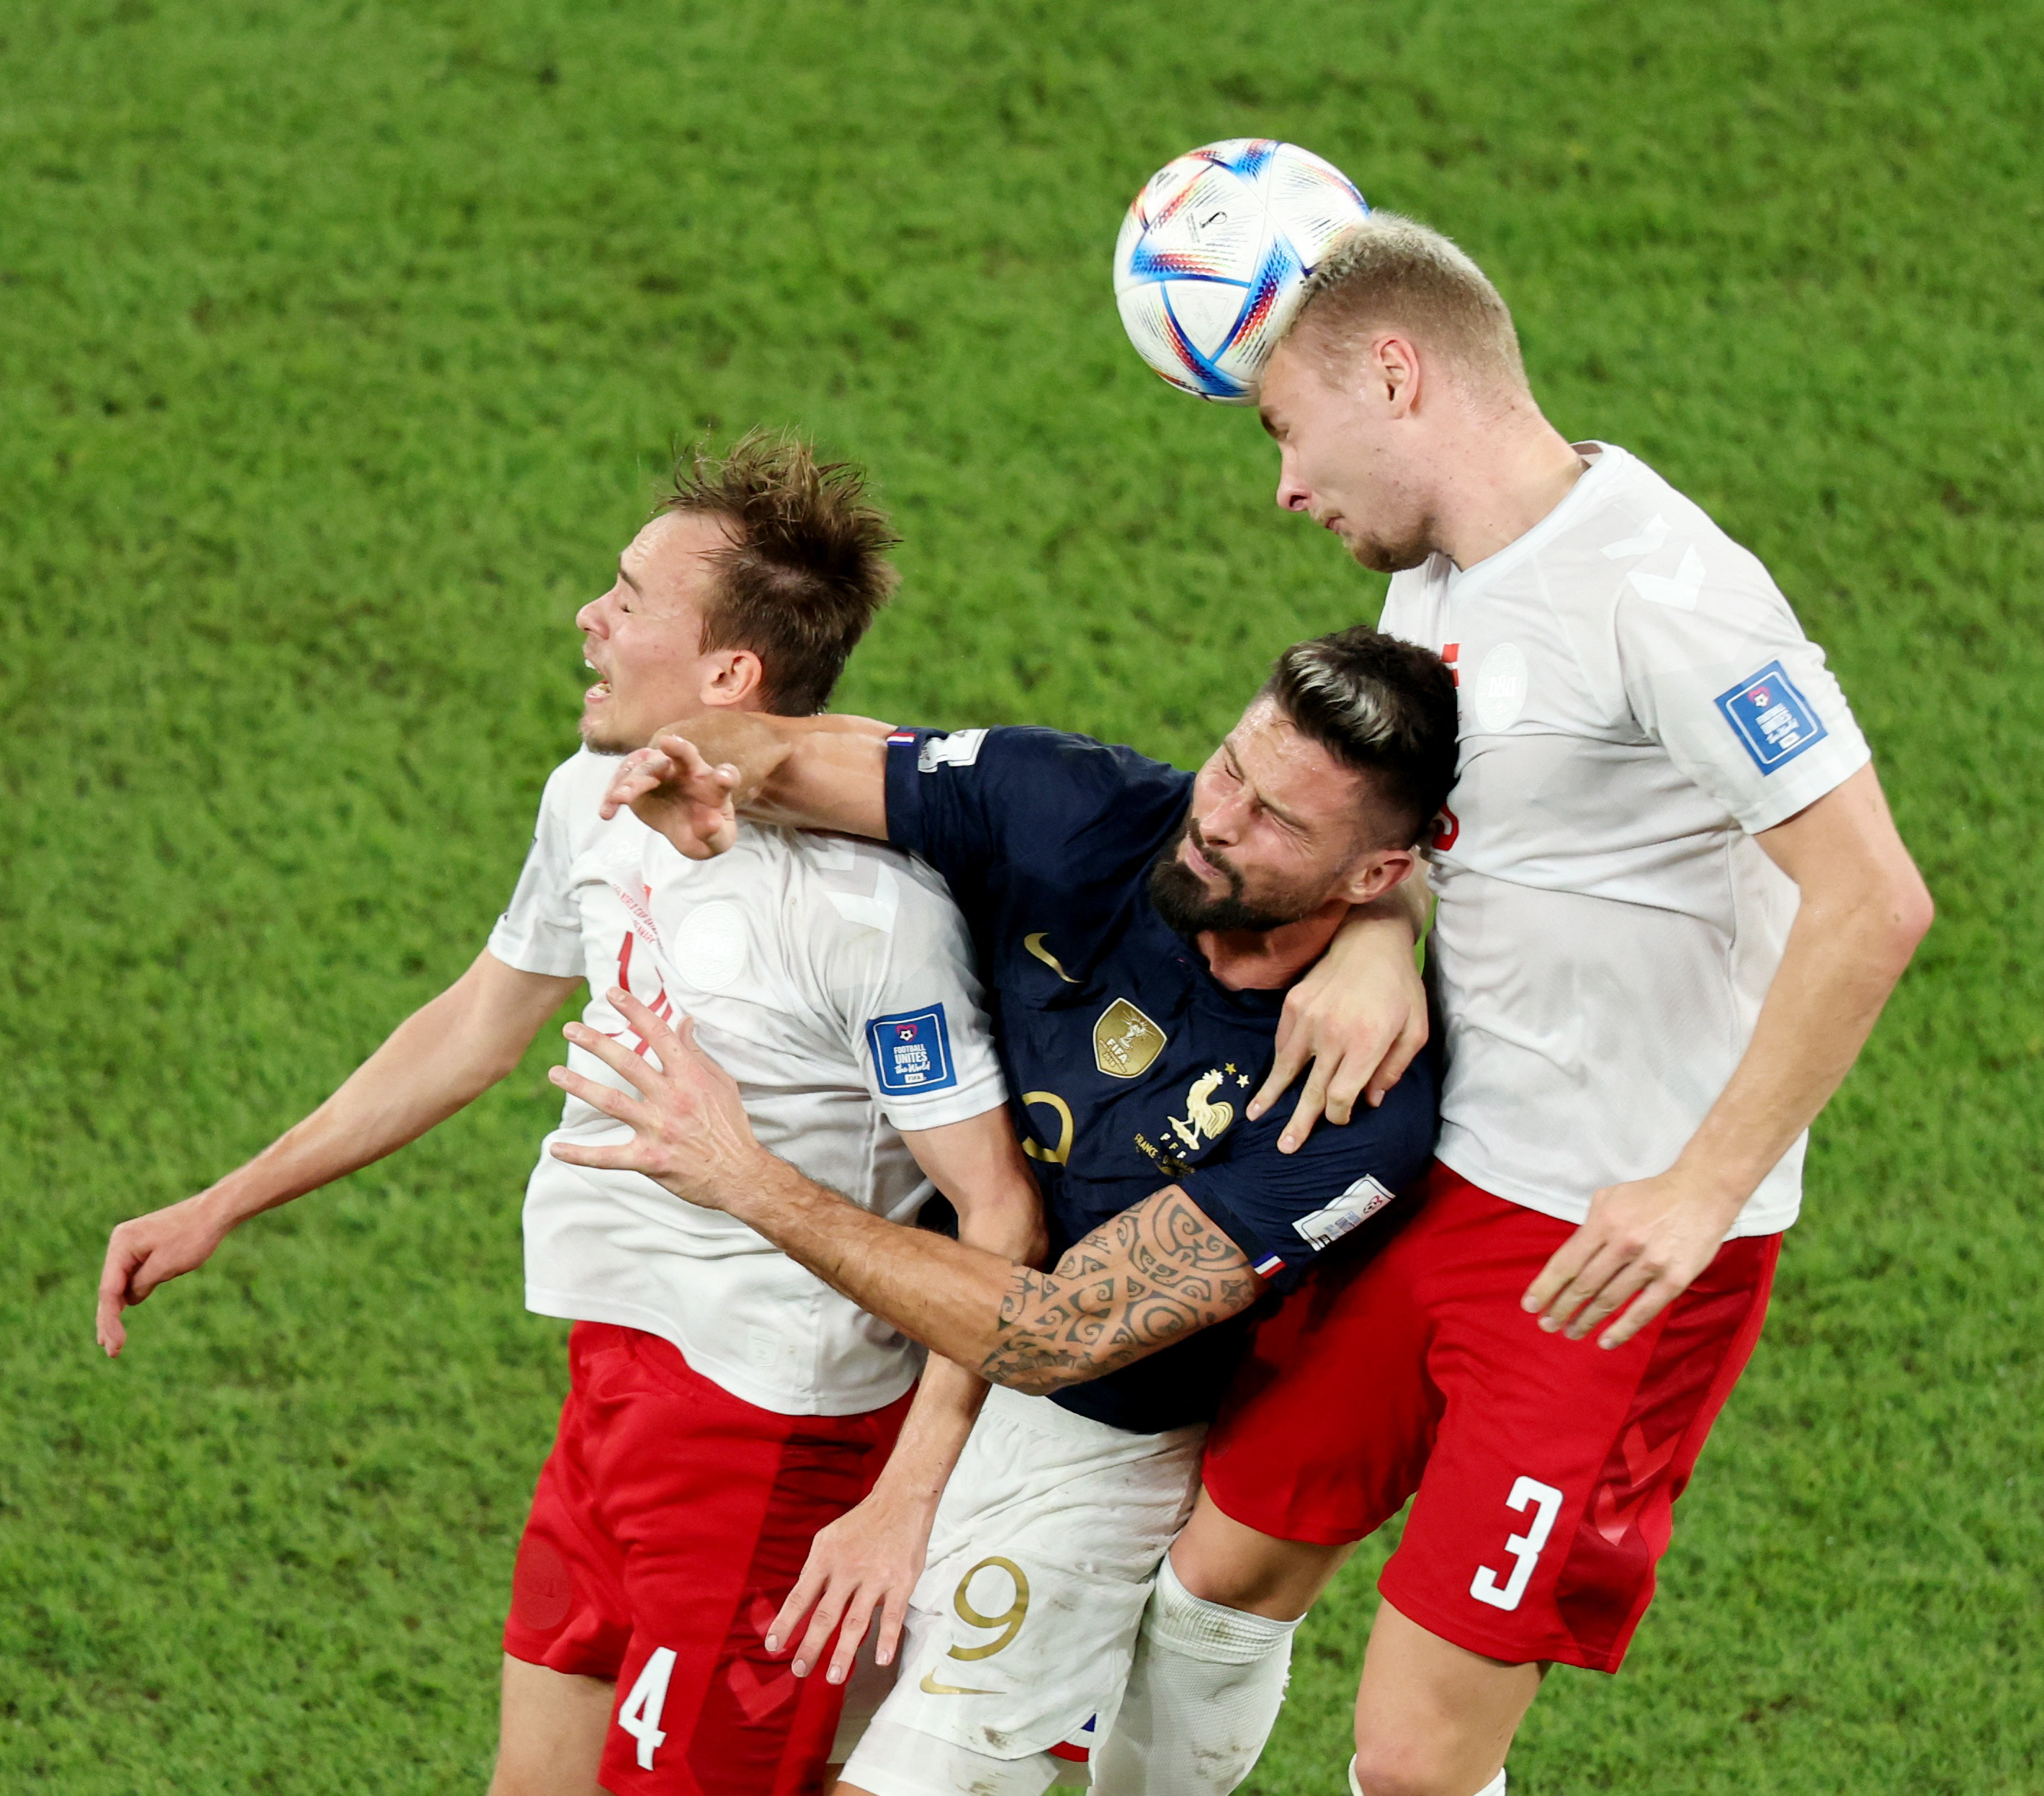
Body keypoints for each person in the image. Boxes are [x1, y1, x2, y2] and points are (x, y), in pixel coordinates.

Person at [1107, 213, 1939, 1796]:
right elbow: (1426, 843)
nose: (1284, 485)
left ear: (1395, 374)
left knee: (1418, 1760)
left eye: (1284, 426)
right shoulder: (1435, 585)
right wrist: (1377, 934)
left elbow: (1873, 898)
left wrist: (1697, 1190)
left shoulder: (1667, 595)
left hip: (1606, 1252)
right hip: (1442, 1181)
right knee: (1217, 1575)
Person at [91, 434, 1044, 1796]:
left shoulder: (868, 915)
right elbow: (480, 1019)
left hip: (770, 1431)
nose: (590, 616)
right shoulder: (589, 799)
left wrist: (904, 1495)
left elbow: (1000, 1209)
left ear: (732, 677)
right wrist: (225, 1199)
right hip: (612, 1380)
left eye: (631, 597)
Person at [551, 625, 1456, 1796]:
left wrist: (746, 1174)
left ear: (1374, 876)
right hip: (900, 1356)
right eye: (1232, 765)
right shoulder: (1081, 805)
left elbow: (1059, 1331)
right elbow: (792, 755)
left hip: (1086, 1440)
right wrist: (706, 758)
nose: (1219, 818)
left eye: (1277, 819)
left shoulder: (1353, 1108)